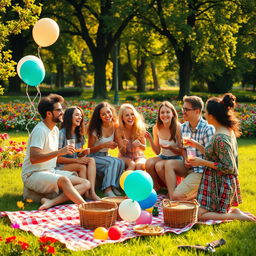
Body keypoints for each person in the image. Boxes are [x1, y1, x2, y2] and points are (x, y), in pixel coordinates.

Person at [188, 93, 256, 222]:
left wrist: (202, 162)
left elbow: (229, 167)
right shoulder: (225, 130)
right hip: (215, 180)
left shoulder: (220, 138)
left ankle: (235, 216)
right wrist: (197, 145)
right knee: (199, 210)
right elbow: (215, 156)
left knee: (199, 216)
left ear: (212, 116)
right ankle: (235, 212)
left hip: (220, 184)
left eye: (206, 112)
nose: (204, 115)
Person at [22, 94, 90, 210]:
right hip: (33, 174)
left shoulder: (55, 130)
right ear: (48, 114)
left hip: (50, 171)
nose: (62, 112)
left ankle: (51, 202)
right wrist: (59, 152)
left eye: (61, 109)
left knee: (85, 183)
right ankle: (86, 207)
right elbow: (34, 158)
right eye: (58, 110)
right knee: (64, 180)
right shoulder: (40, 130)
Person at [164, 96, 215, 200]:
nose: (183, 112)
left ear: (197, 111)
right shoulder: (183, 127)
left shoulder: (208, 129)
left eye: (186, 109)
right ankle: (171, 198)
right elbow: (183, 148)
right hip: (189, 167)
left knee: (178, 196)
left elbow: (212, 156)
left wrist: (196, 145)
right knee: (169, 164)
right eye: (183, 108)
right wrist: (185, 158)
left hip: (202, 170)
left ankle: (181, 197)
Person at [57, 106, 100, 201]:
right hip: (60, 165)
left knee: (91, 160)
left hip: (72, 162)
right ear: (69, 117)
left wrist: (83, 153)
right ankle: (86, 194)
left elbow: (77, 154)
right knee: (82, 166)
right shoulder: (62, 134)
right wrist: (77, 160)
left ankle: (92, 192)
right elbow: (57, 158)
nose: (80, 117)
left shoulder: (79, 134)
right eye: (76, 115)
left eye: (81, 116)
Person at [87, 102, 125, 197]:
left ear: (112, 112)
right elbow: (89, 150)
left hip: (105, 156)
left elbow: (116, 144)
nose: (107, 115)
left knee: (120, 162)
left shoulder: (114, 126)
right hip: (93, 157)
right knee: (112, 162)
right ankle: (107, 190)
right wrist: (103, 145)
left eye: (108, 112)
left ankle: (113, 186)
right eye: (103, 114)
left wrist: (117, 144)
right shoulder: (95, 129)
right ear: (99, 117)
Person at [145, 101, 183, 191]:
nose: (164, 115)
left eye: (167, 112)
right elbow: (157, 151)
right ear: (159, 115)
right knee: (148, 163)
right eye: (162, 112)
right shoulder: (156, 127)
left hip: (176, 158)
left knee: (159, 166)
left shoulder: (178, 127)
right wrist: (150, 139)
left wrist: (170, 147)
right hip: (163, 156)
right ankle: (156, 186)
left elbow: (182, 151)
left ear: (173, 114)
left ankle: (172, 188)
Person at [116, 103, 147, 170]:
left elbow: (144, 148)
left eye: (132, 114)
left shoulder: (139, 128)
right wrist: (124, 146)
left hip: (138, 156)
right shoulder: (119, 130)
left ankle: (137, 180)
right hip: (124, 156)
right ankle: (124, 180)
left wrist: (140, 145)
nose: (130, 117)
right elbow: (122, 152)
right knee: (132, 164)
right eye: (127, 115)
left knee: (139, 165)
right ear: (122, 118)